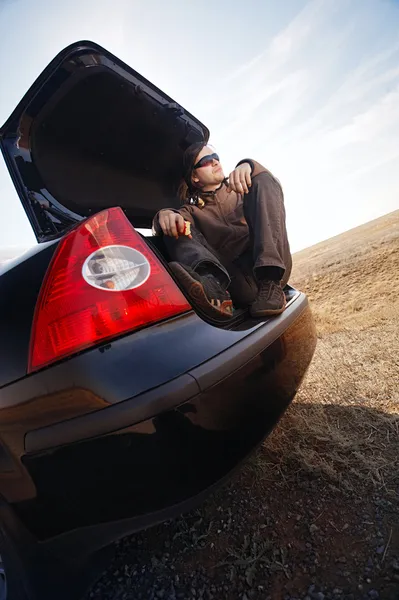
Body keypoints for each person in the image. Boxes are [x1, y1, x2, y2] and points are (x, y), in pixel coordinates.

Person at [152, 143, 292, 319]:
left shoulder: (244, 187)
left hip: (272, 271)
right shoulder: (192, 211)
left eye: (215, 157)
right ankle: (214, 289)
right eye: (206, 161)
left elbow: (272, 189)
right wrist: (163, 215)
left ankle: (270, 283)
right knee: (175, 225)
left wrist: (249, 165)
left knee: (263, 179)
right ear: (194, 176)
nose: (215, 162)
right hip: (239, 284)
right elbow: (167, 224)